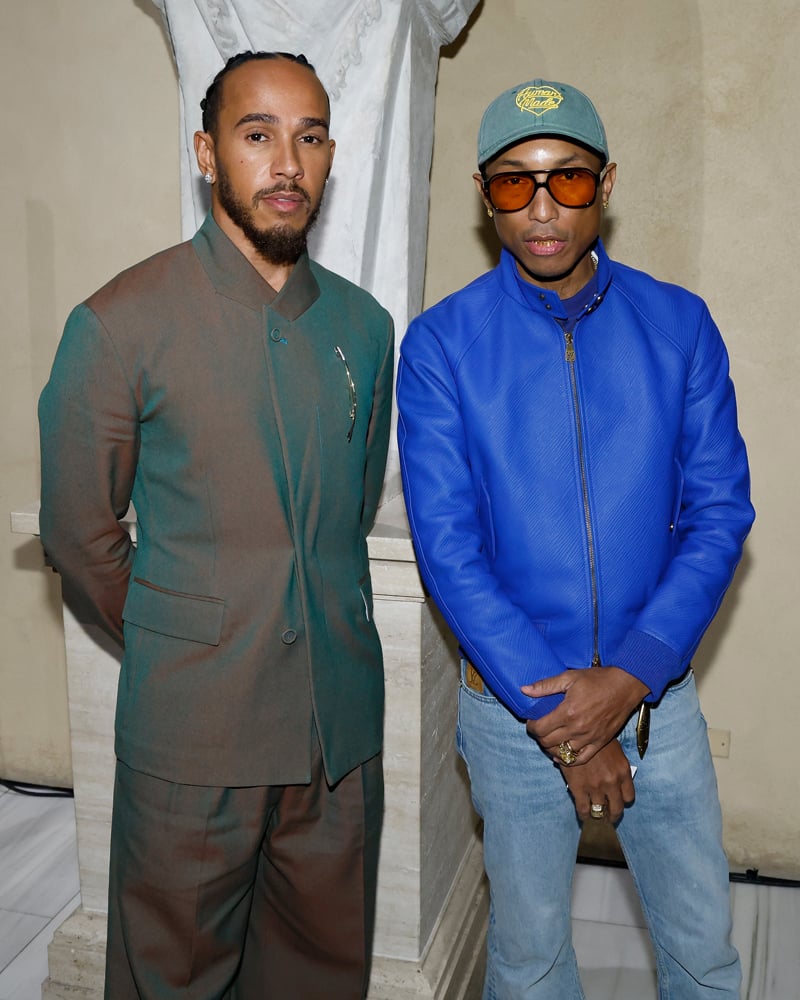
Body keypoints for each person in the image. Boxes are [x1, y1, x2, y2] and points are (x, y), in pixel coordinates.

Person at [39, 51, 394, 1000]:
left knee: (322, 981)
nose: (289, 162)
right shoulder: (119, 321)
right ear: (207, 153)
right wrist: (186, 636)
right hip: (193, 744)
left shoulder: (364, 327)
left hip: (338, 744)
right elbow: (81, 533)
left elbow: (346, 517)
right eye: (258, 134)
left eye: (310, 136)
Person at [397, 78, 753, 998]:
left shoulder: (679, 326)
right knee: (529, 958)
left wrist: (630, 675)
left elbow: (719, 514)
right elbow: (449, 549)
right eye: (516, 184)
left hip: (656, 702)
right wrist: (565, 719)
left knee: (702, 953)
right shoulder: (442, 347)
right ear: (486, 195)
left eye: (569, 180)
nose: (543, 208)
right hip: (516, 714)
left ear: (608, 184)